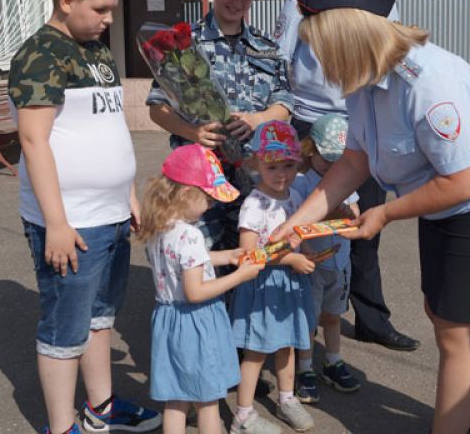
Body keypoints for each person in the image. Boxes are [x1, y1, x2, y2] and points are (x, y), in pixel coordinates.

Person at [274, 0, 470, 434]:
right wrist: (297, 220)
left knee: (456, 331)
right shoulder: (360, 80)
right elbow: (353, 161)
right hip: (443, 200)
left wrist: (384, 213)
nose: (314, 58)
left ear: (347, 39)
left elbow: (468, 181)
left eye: (320, 46)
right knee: (450, 316)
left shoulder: (428, 82)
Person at [8, 0, 161, 434]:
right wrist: (55, 222)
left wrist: (129, 196)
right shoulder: (40, 54)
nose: (108, 20)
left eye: (111, 10)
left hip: (111, 214)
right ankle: (62, 428)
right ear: (67, 0)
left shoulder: (95, 51)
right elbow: (34, 140)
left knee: (100, 318)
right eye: (100, 10)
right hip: (70, 222)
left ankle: (101, 410)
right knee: (64, 331)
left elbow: (109, 126)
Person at [274, 0, 419, 352]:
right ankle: (291, 324)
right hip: (306, 122)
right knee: (299, 222)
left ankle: (371, 320)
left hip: (361, 123)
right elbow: (283, 59)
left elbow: (393, 58)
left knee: (364, 224)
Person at [147, 0, 293, 253]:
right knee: (199, 260)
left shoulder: (267, 48)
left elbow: (284, 104)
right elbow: (157, 107)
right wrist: (194, 133)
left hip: (255, 178)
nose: (237, 2)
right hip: (198, 181)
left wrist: (258, 119)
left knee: (254, 262)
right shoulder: (183, 44)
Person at [137, 143, 265, 434]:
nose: (211, 205)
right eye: (207, 198)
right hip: (197, 321)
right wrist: (240, 275)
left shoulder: (161, 227)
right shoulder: (191, 235)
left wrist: (230, 256)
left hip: (168, 320)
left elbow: (186, 264)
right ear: (185, 194)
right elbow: (195, 291)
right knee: (208, 400)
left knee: (176, 399)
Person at [229, 121, 316, 434]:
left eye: (289, 165)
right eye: (273, 166)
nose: (282, 174)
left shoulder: (293, 195)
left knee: (288, 345)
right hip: (263, 287)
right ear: (256, 164)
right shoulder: (254, 204)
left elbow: (298, 235)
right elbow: (249, 252)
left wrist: (306, 252)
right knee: (255, 351)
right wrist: (291, 258)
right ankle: (243, 414)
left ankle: (287, 398)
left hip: (290, 284)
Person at [291, 114, 361, 404]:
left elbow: (356, 217)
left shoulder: (346, 179)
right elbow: (295, 224)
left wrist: (347, 215)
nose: (333, 166)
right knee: (308, 319)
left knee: (333, 316)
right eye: (326, 158)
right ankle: (305, 368)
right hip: (312, 265)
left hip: (340, 264)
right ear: (311, 150)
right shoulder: (303, 183)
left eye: (338, 159)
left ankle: (333, 361)